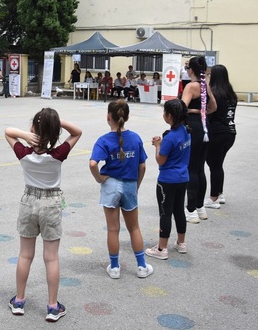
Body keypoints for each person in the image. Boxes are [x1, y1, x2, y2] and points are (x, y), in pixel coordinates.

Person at [5, 108, 81, 322]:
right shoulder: (58, 155)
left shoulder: (23, 153)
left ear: (33, 129)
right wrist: (56, 122)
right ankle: (53, 307)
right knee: (51, 257)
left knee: (25, 255)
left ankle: (19, 301)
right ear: (55, 132)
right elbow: (77, 132)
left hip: (28, 201)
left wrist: (25, 135)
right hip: (51, 204)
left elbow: (8, 132)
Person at [89, 99, 152, 279]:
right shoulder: (136, 138)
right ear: (127, 116)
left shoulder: (103, 140)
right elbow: (142, 166)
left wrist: (99, 178)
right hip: (130, 184)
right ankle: (141, 266)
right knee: (134, 228)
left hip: (110, 185)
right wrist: (136, 186)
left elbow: (93, 163)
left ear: (108, 117)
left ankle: (115, 267)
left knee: (113, 229)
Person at [145, 99, 191, 260]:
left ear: (169, 116)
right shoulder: (186, 130)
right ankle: (181, 243)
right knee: (179, 210)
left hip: (168, 180)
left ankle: (161, 248)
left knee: (165, 213)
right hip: (183, 177)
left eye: (164, 112)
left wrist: (158, 145)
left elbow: (161, 160)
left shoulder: (170, 137)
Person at [181, 56, 216, 223]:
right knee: (200, 169)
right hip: (205, 127)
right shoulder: (205, 85)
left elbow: (181, 108)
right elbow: (213, 106)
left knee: (192, 169)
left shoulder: (191, 86)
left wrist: (193, 111)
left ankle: (191, 210)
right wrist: (202, 111)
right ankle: (200, 207)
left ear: (191, 70)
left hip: (194, 127)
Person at [204, 65, 237, 207]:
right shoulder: (231, 94)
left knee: (214, 165)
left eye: (210, 74)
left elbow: (210, 114)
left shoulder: (214, 94)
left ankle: (213, 198)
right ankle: (219, 193)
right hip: (230, 133)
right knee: (218, 164)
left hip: (217, 133)